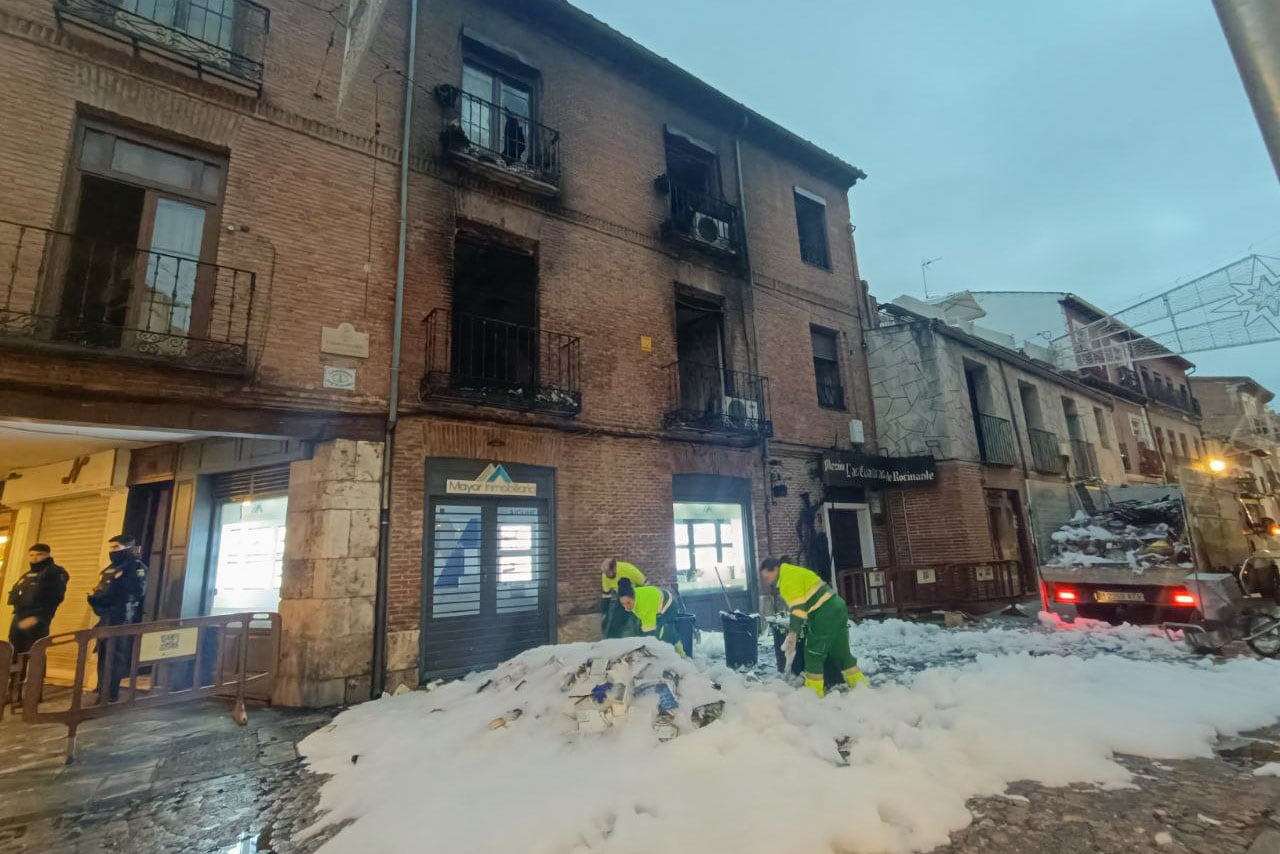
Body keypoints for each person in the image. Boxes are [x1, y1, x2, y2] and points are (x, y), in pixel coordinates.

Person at [759, 557, 868, 697]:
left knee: (813, 655)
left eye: (767, 577)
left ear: (774, 569)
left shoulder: (787, 580)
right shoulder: (794, 571)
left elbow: (798, 610)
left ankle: (813, 696)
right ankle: (862, 689)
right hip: (837, 606)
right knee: (842, 654)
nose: (767, 581)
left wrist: (792, 634)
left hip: (824, 613)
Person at [87, 535, 147, 703]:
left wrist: (116, 588)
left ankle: (111, 692)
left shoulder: (136, 567)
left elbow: (137, 591)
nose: (111, 551)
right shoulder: (110, 568)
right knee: (103, 654)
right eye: (111, 547)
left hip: (121, 618)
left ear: (126, 548)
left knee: (115, 656)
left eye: (115, 547)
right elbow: (102, 590)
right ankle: (102, 689)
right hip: (106, 617)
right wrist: (95, 598)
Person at [7, 543, 69, 654]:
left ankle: (33, 672)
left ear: (47, 555)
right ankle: (17, 672)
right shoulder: (27, 575)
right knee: (14, 652)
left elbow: (54, 598)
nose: (34, 558)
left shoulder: (54, 572)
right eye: (31, 555)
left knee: (35, 653)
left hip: (36, 620)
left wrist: (38, 618)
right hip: (19, 618)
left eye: (39, 554)